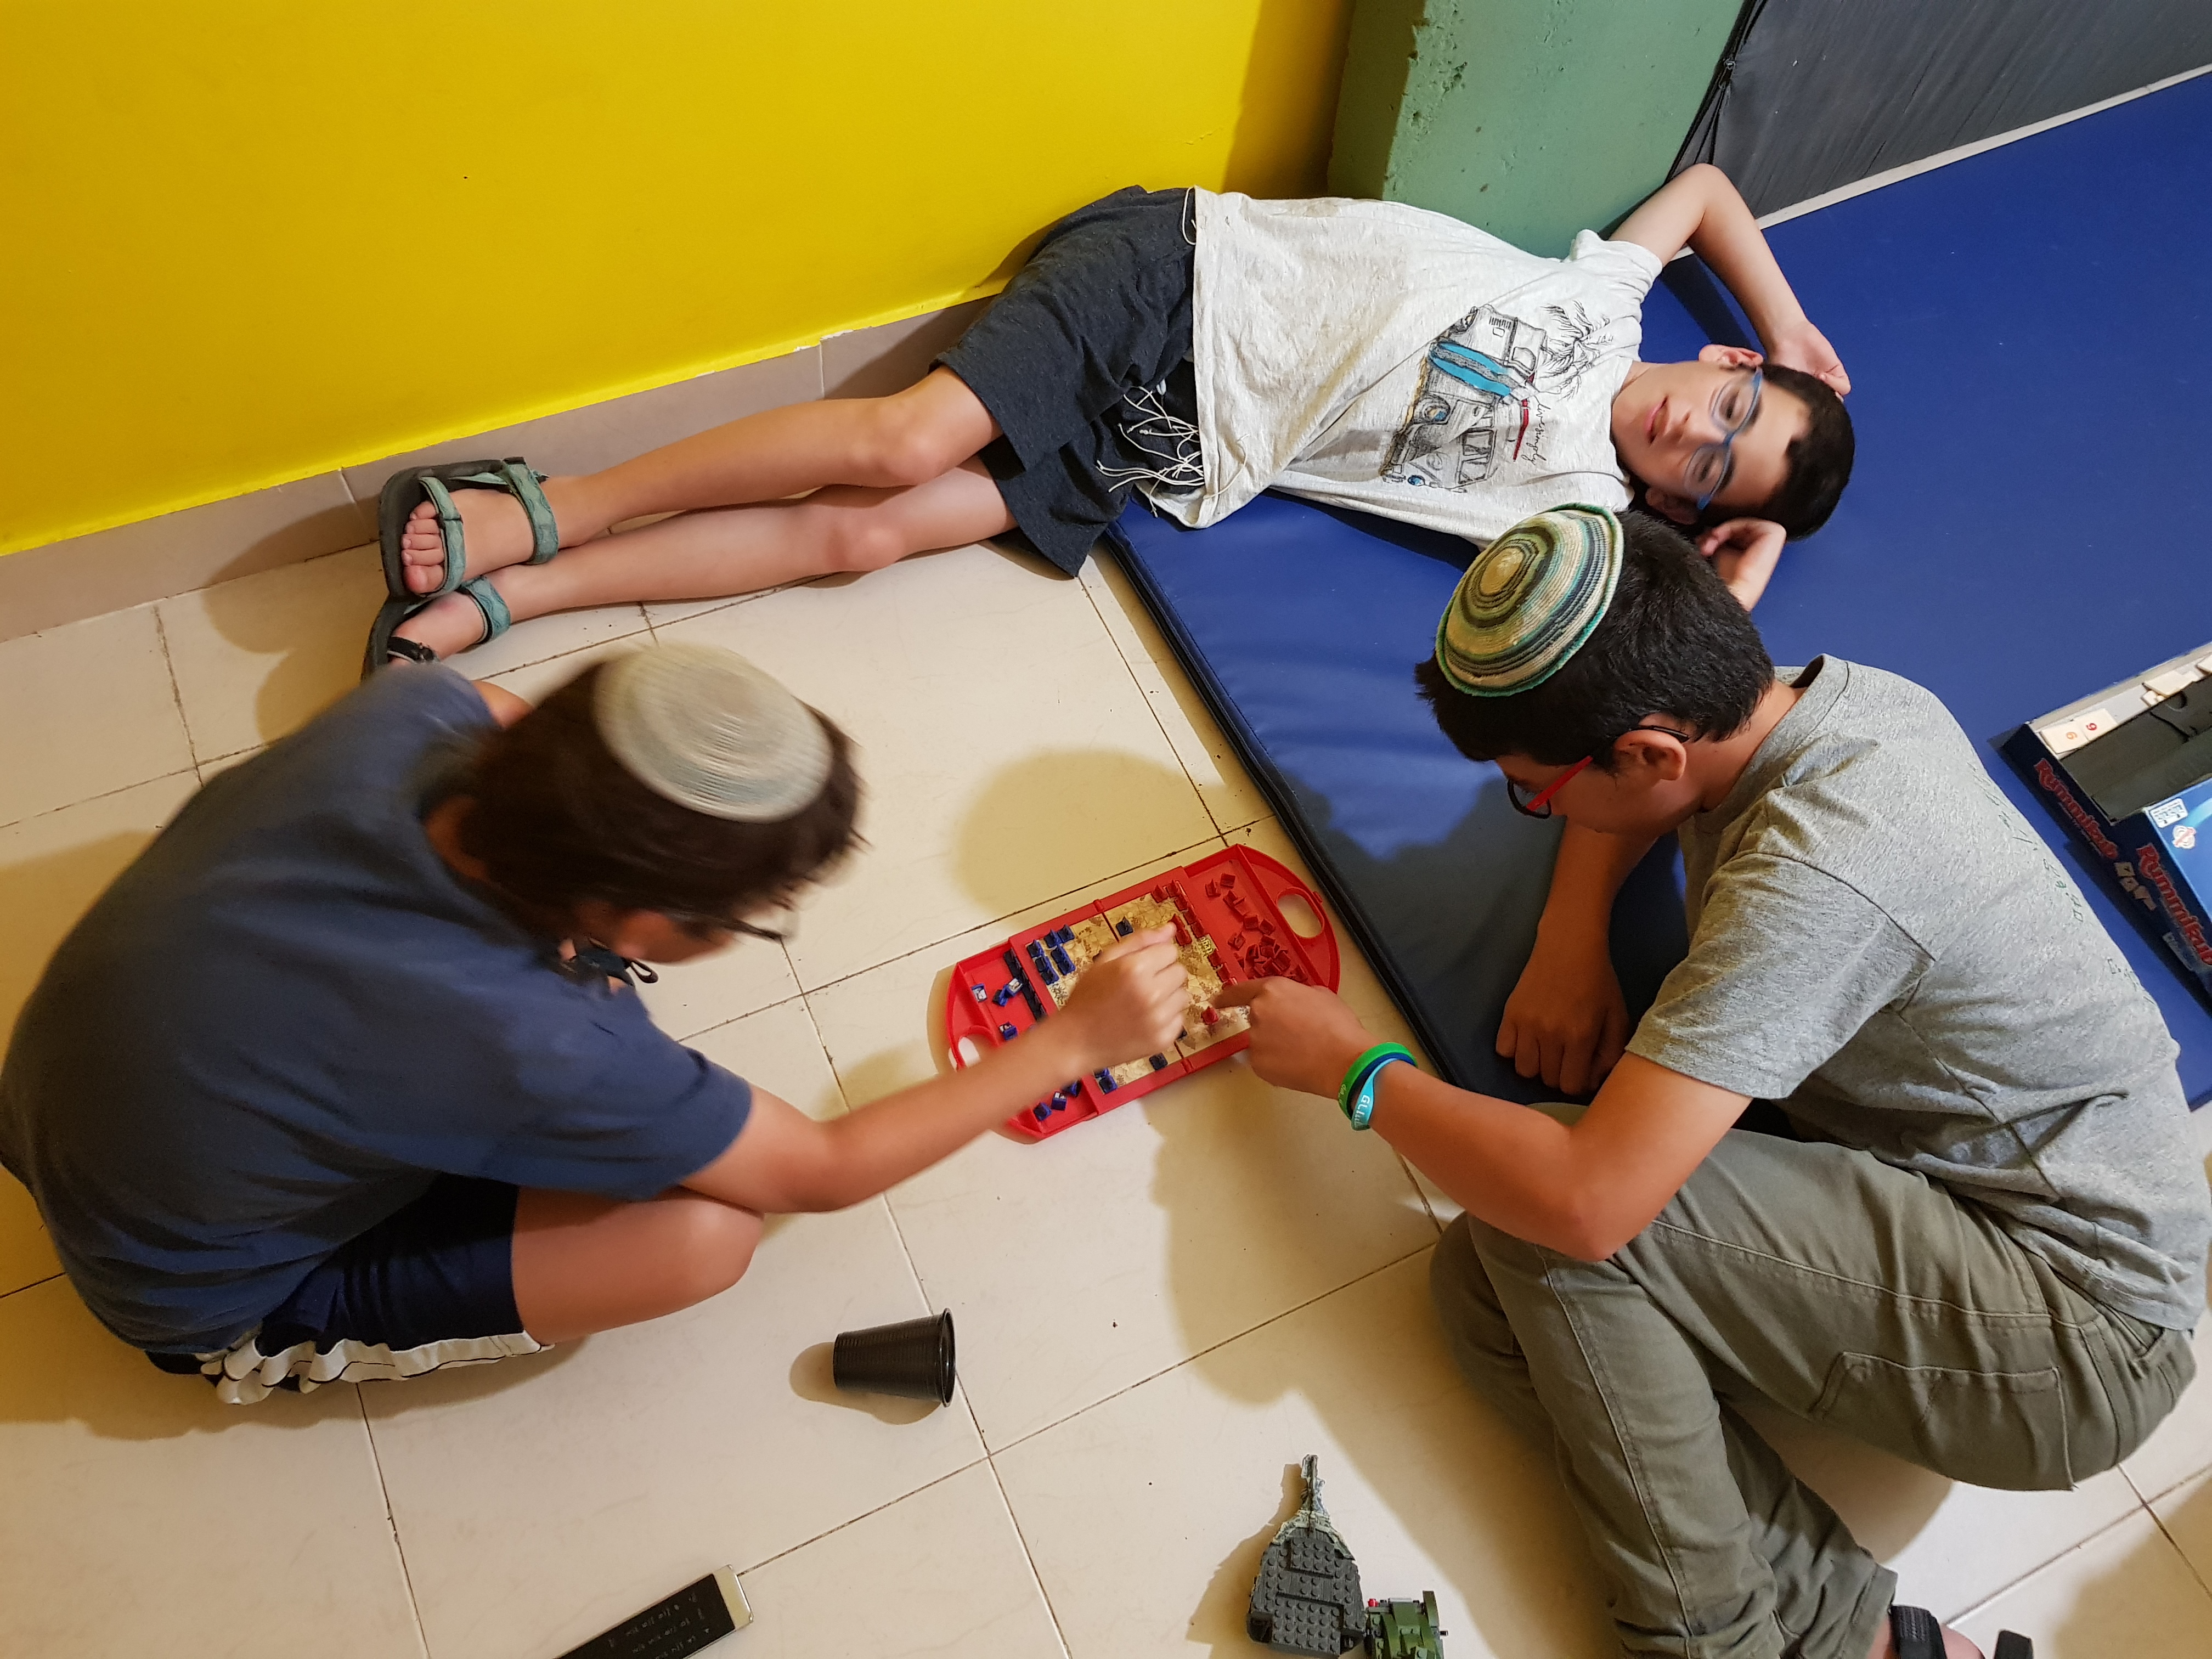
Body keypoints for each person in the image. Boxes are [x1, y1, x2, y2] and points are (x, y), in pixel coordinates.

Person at [1212, 506, 2208, 1659]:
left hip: (2076, 1331)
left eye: (1535, 790)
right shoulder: (1814, 702)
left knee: (1552, 1223)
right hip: (1978, 1199)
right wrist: (1571, 934)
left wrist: (1356, 1071)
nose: (1542, 813)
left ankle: (1708, 1645)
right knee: (1483, 1295)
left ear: (1648, 753)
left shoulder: (1825, 870)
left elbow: (1589, 1204)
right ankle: (1864, 1640)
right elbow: (1650, 774)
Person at [0, 644, 1189, 1404]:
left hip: (56, 1105)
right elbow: (819, 1171)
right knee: (706, 1236)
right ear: (640, 917)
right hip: (192, 1288)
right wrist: (1069, 1043)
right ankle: (275, 1350)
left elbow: (502, 707)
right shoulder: (539, 1043)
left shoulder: (409, 710)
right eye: (753, 915)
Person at [364, 164, 1852, 669]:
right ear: (1724, 360)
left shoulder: (1575, 514)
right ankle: (541, 506)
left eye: (1721, 465)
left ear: (1685, 504)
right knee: (902, 441)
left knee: (862, 538)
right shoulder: (1609, 297)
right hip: (1180, 280)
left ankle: (525, 598)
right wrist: (1789, 329)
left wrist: (1746, 552)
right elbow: (1710, 192)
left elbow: (1675, 645)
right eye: (1733, 401)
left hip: (1170, 445)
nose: (1700, 430)